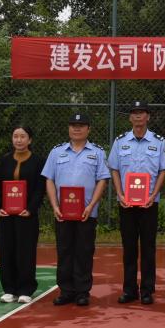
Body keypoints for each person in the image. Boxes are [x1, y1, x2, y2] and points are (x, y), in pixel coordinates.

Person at [41, 112, 109, 307]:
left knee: (84, 251)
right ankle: (66, 290)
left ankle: (82, 291)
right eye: (73, 125)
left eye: (81, 125)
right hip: (62, 212)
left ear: (88, 129)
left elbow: (102, 180)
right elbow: (49, 179)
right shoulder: (56, 152)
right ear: (68, 128)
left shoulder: (97, 152)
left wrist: (91, 205)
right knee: (64, 250)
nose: (76, 129)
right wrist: (55, 206)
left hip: (86, 212)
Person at [108, 101, 165, 305]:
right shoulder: (120, 141)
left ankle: (147, 290)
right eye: (134, 113)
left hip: (149, 203)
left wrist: (153, 195)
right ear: (130, 117)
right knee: (129, 247)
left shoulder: (159, 142)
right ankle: (129, 289)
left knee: (148, 247)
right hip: (126, 203)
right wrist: (120, 194)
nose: (138, 116)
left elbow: (163, 171)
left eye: (141, 113)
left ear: (148, 116)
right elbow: (114, 169)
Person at [0, 124, 44, 304]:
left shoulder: (38, 161)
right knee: (6, 251)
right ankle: (9, 289)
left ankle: (25, 289)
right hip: (6, 215)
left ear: (30, 140)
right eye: (15, 136)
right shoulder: (5, 160)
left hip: (27, 215)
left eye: (22, 136)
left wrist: (30, 208)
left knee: (25, 252)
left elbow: (39, 188)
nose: (19, 140)